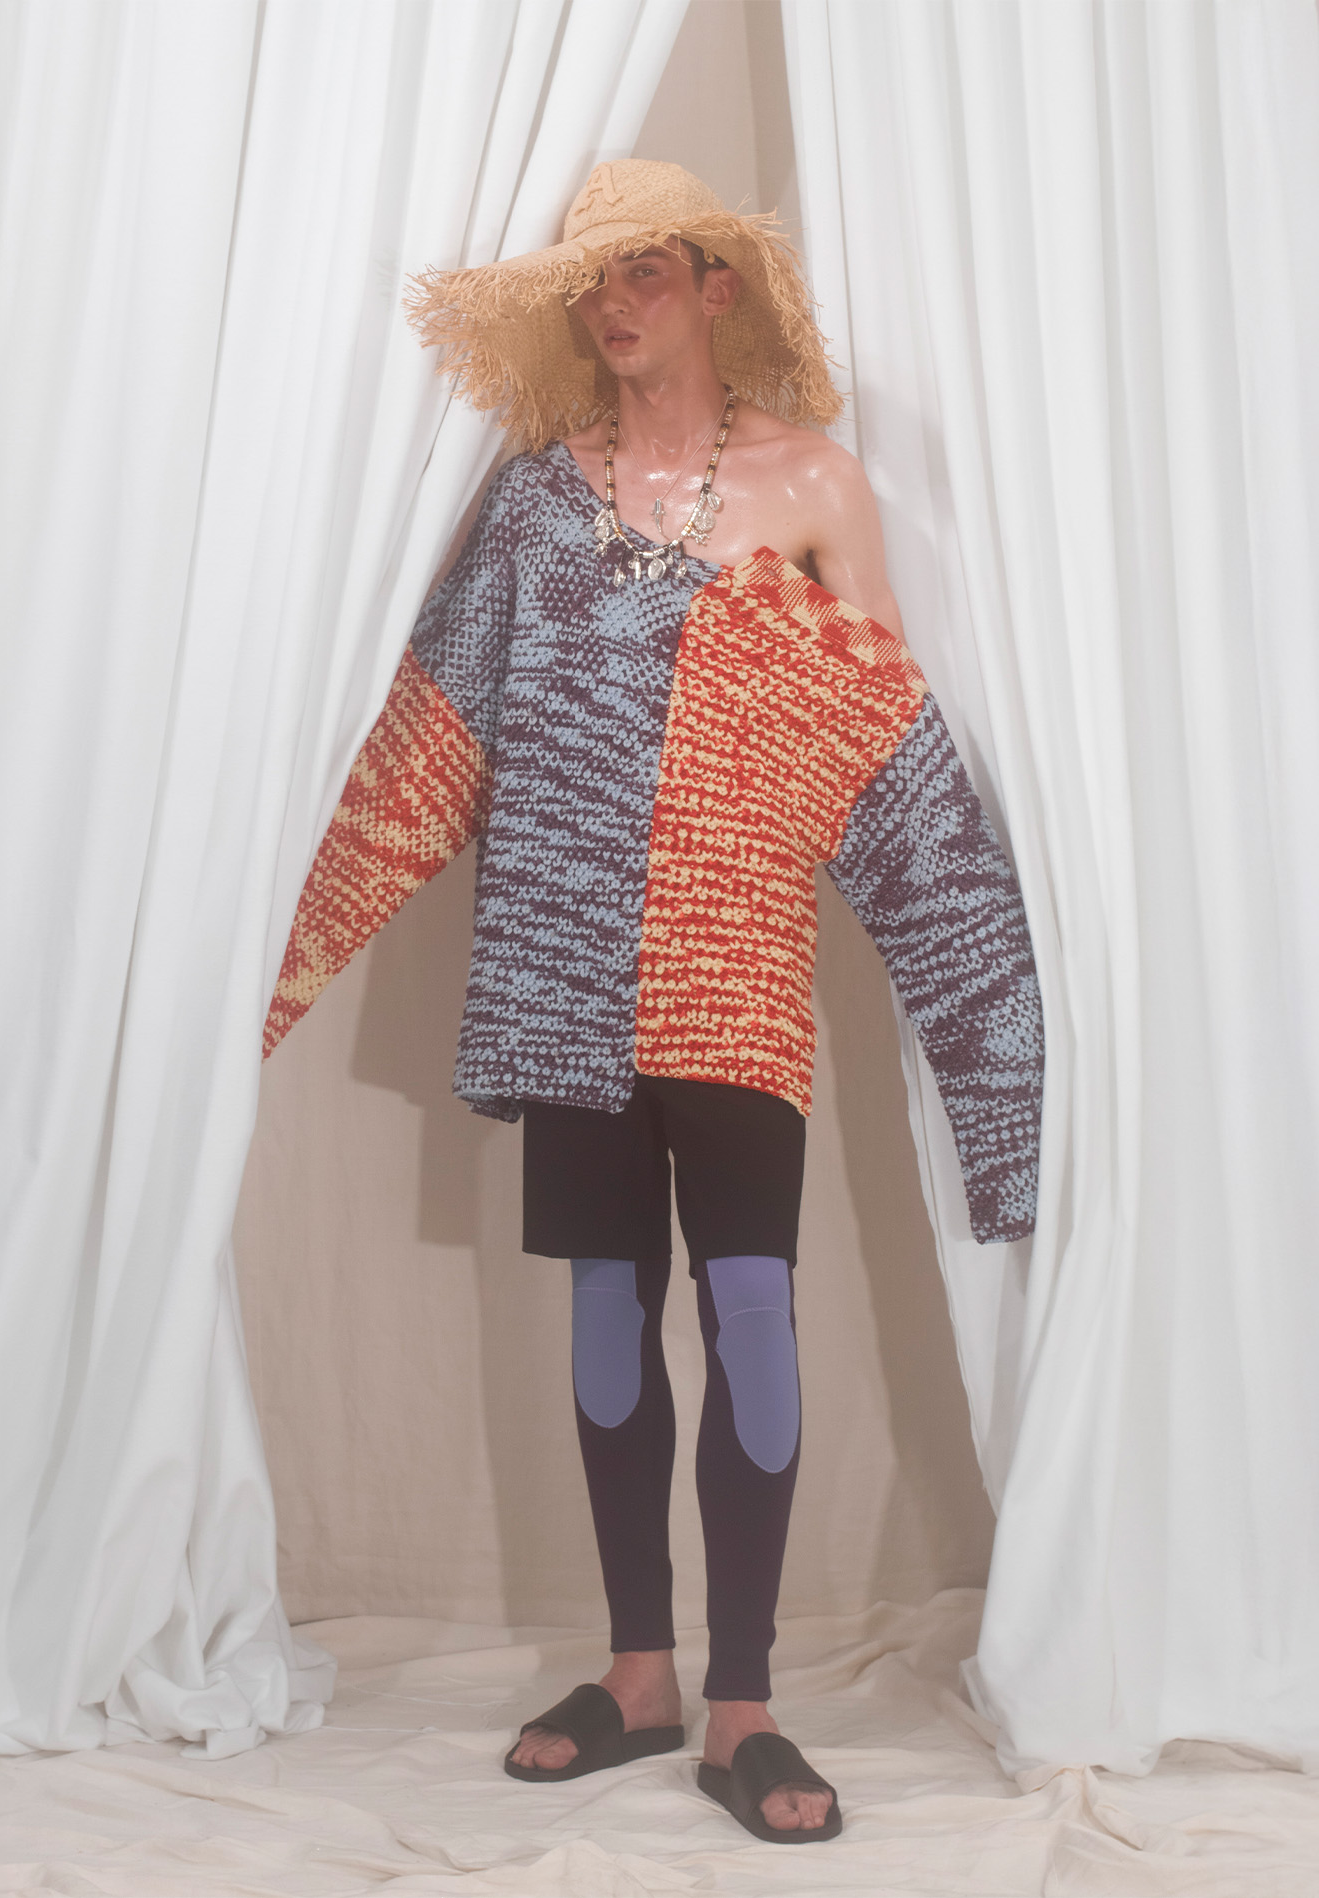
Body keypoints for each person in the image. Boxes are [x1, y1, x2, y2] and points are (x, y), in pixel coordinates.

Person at [263, 160, 1044, 1844]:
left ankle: (742, 1700)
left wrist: (993, 1050)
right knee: (607, 1317)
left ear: (712, 286)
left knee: (751, 1314)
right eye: (591, 284)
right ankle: (637, 1673)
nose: (612, 306)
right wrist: (258, 968)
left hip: (737, 970)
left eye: (643, 274)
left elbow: (881, 762)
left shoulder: (814, 484)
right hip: (564, 970)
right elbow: (428, 747)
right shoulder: (536, 507)